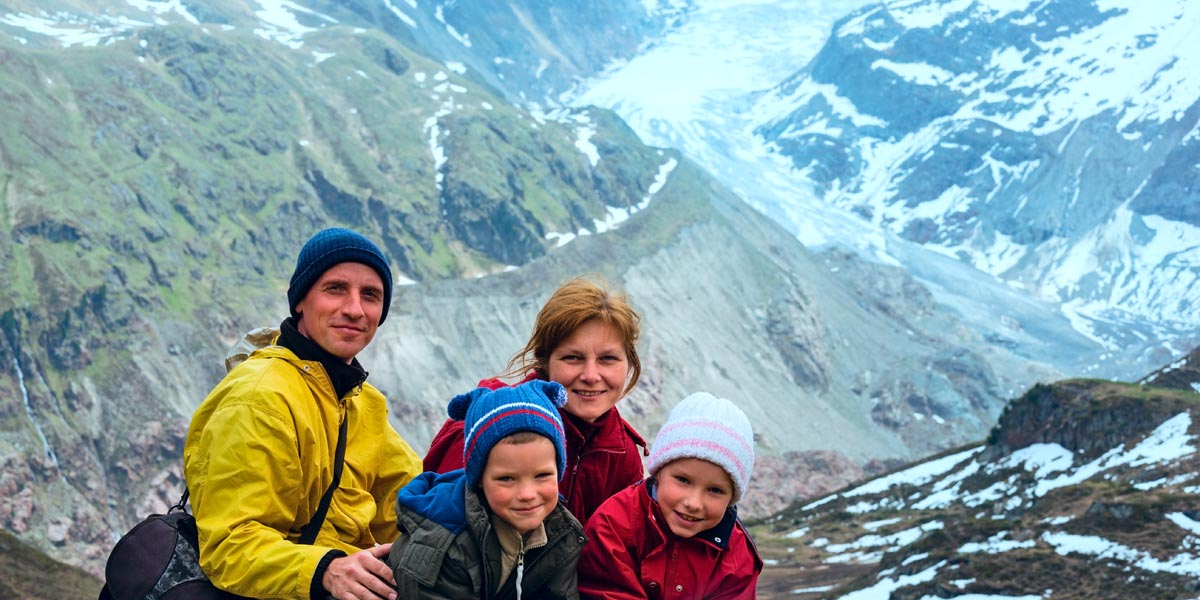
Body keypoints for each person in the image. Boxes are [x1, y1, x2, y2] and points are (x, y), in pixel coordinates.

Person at [183, 227, 423, 600]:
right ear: (300, 301)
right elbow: (231, 546)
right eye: (335, 289)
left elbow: (411, 501)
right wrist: (325, 570)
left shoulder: (360, 400)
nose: (355, 309)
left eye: (371, 295)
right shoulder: (258, 397)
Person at [423, 276, 648, 524]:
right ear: (545, 362)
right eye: (572, 358)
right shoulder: (490, 425)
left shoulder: (623, 452)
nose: (591, 376)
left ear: (629, 364)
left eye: (608, 359)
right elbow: (437, 534)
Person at [388, 380, 585, 599]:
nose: (528, 494)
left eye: (542, 475)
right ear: (479, 478)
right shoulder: (445, 546)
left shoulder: (561, 532)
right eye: (507, 478)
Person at [577, 392, 763, 600]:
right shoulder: (613, 525)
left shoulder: (738, 555)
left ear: (731, 498)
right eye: (683, 480)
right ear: (658, 473)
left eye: (715, 490)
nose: (693, 503)